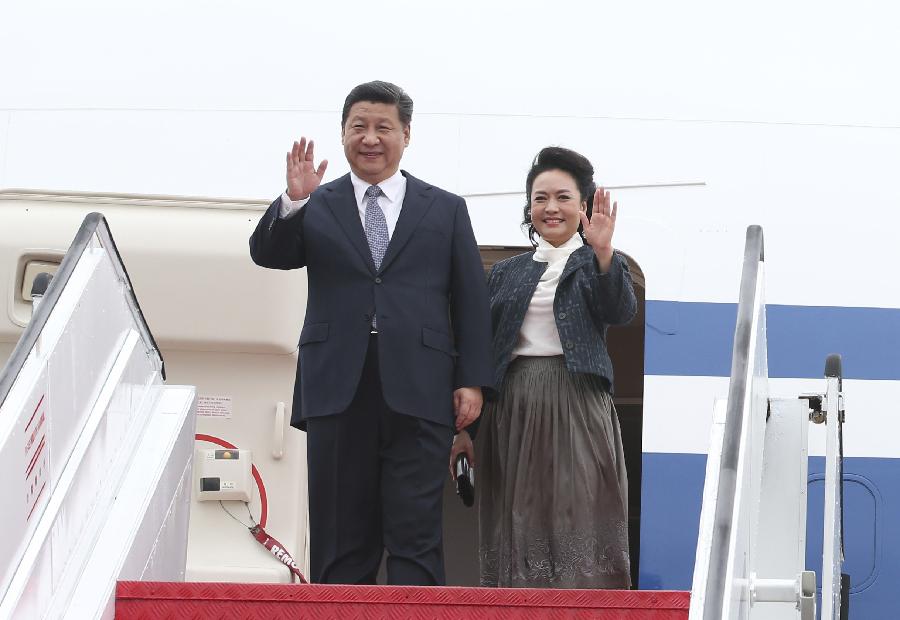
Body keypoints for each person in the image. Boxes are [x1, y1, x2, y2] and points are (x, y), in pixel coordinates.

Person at [249, 81, 493, 586]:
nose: (370, 137)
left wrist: (472, 380)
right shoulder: (317, 202)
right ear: (342, 134)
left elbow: (469, 300)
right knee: (340, 536)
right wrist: (293, 202)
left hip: (421, 387)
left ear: (406, 134)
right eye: (358, 126)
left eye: (384, 127)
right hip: (338, 385)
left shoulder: (445, 208)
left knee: (416, 535)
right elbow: (269, 254)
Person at [451, 146, 637, 589]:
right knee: (518, 512)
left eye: (563, 197)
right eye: (540, 198)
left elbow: (619, 309)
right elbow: (481, 349)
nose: (550, 208)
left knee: (580, 505)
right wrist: (464, 432)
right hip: (511, 403)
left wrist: (605, 251)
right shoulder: (506, 271)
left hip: (577, 399)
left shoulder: (598, 262)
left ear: (584, 206)